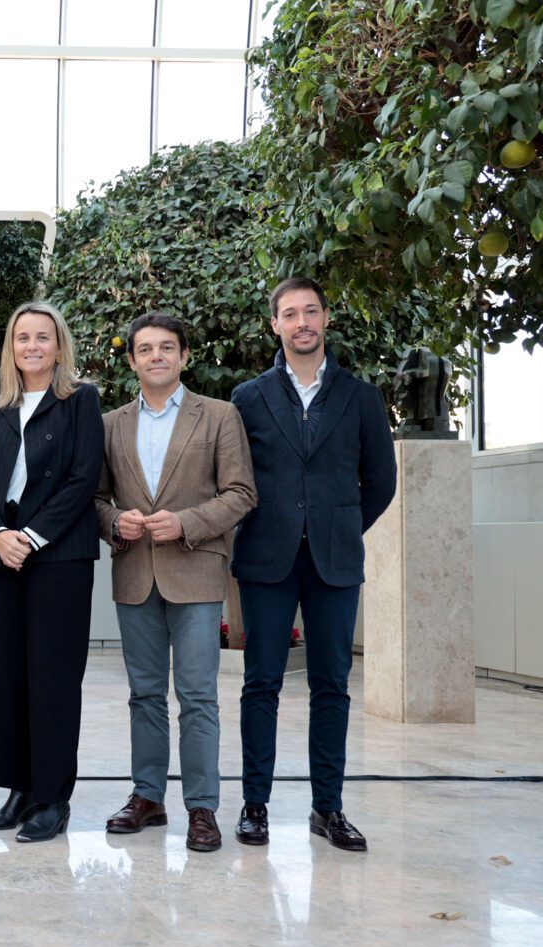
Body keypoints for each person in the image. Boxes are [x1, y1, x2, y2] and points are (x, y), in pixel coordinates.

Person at [231, 276, 397, 852]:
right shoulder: (247, 397)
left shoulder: (362, 396)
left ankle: (328, 808)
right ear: (274, 325)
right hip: (266, 558)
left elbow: (381, 481)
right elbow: (236, 478)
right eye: (289, 313)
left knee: (332, 686)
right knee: (261, 684)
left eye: (310, 311)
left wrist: (339, 527)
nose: (301, 322)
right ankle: (255, 805)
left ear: (326, 318)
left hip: (335, 562)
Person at [94, 312, 256, 853]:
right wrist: (114, 522)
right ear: (132, 360)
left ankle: (202, 807)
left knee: (198, 696)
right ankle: (147, 796)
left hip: (196, 574)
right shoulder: (110, 424)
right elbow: (93, 499)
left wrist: (187, 523)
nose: (156, 356)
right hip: (135, 575)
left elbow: (241, 493)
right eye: (145, 349)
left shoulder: (220, 416)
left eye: (167, 347)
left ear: (184, 356)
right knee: (144, 695)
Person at [0, 300, 104, 843]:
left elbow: (83, 478)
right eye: (22, 337)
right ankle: (19, 788)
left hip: (59, 556)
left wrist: (30, 536)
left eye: (42, 337)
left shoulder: (81, 400)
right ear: (12, 347)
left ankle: (52, 797)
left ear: (58, 345)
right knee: (7, 677)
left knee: (54, 679)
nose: (32, 346)